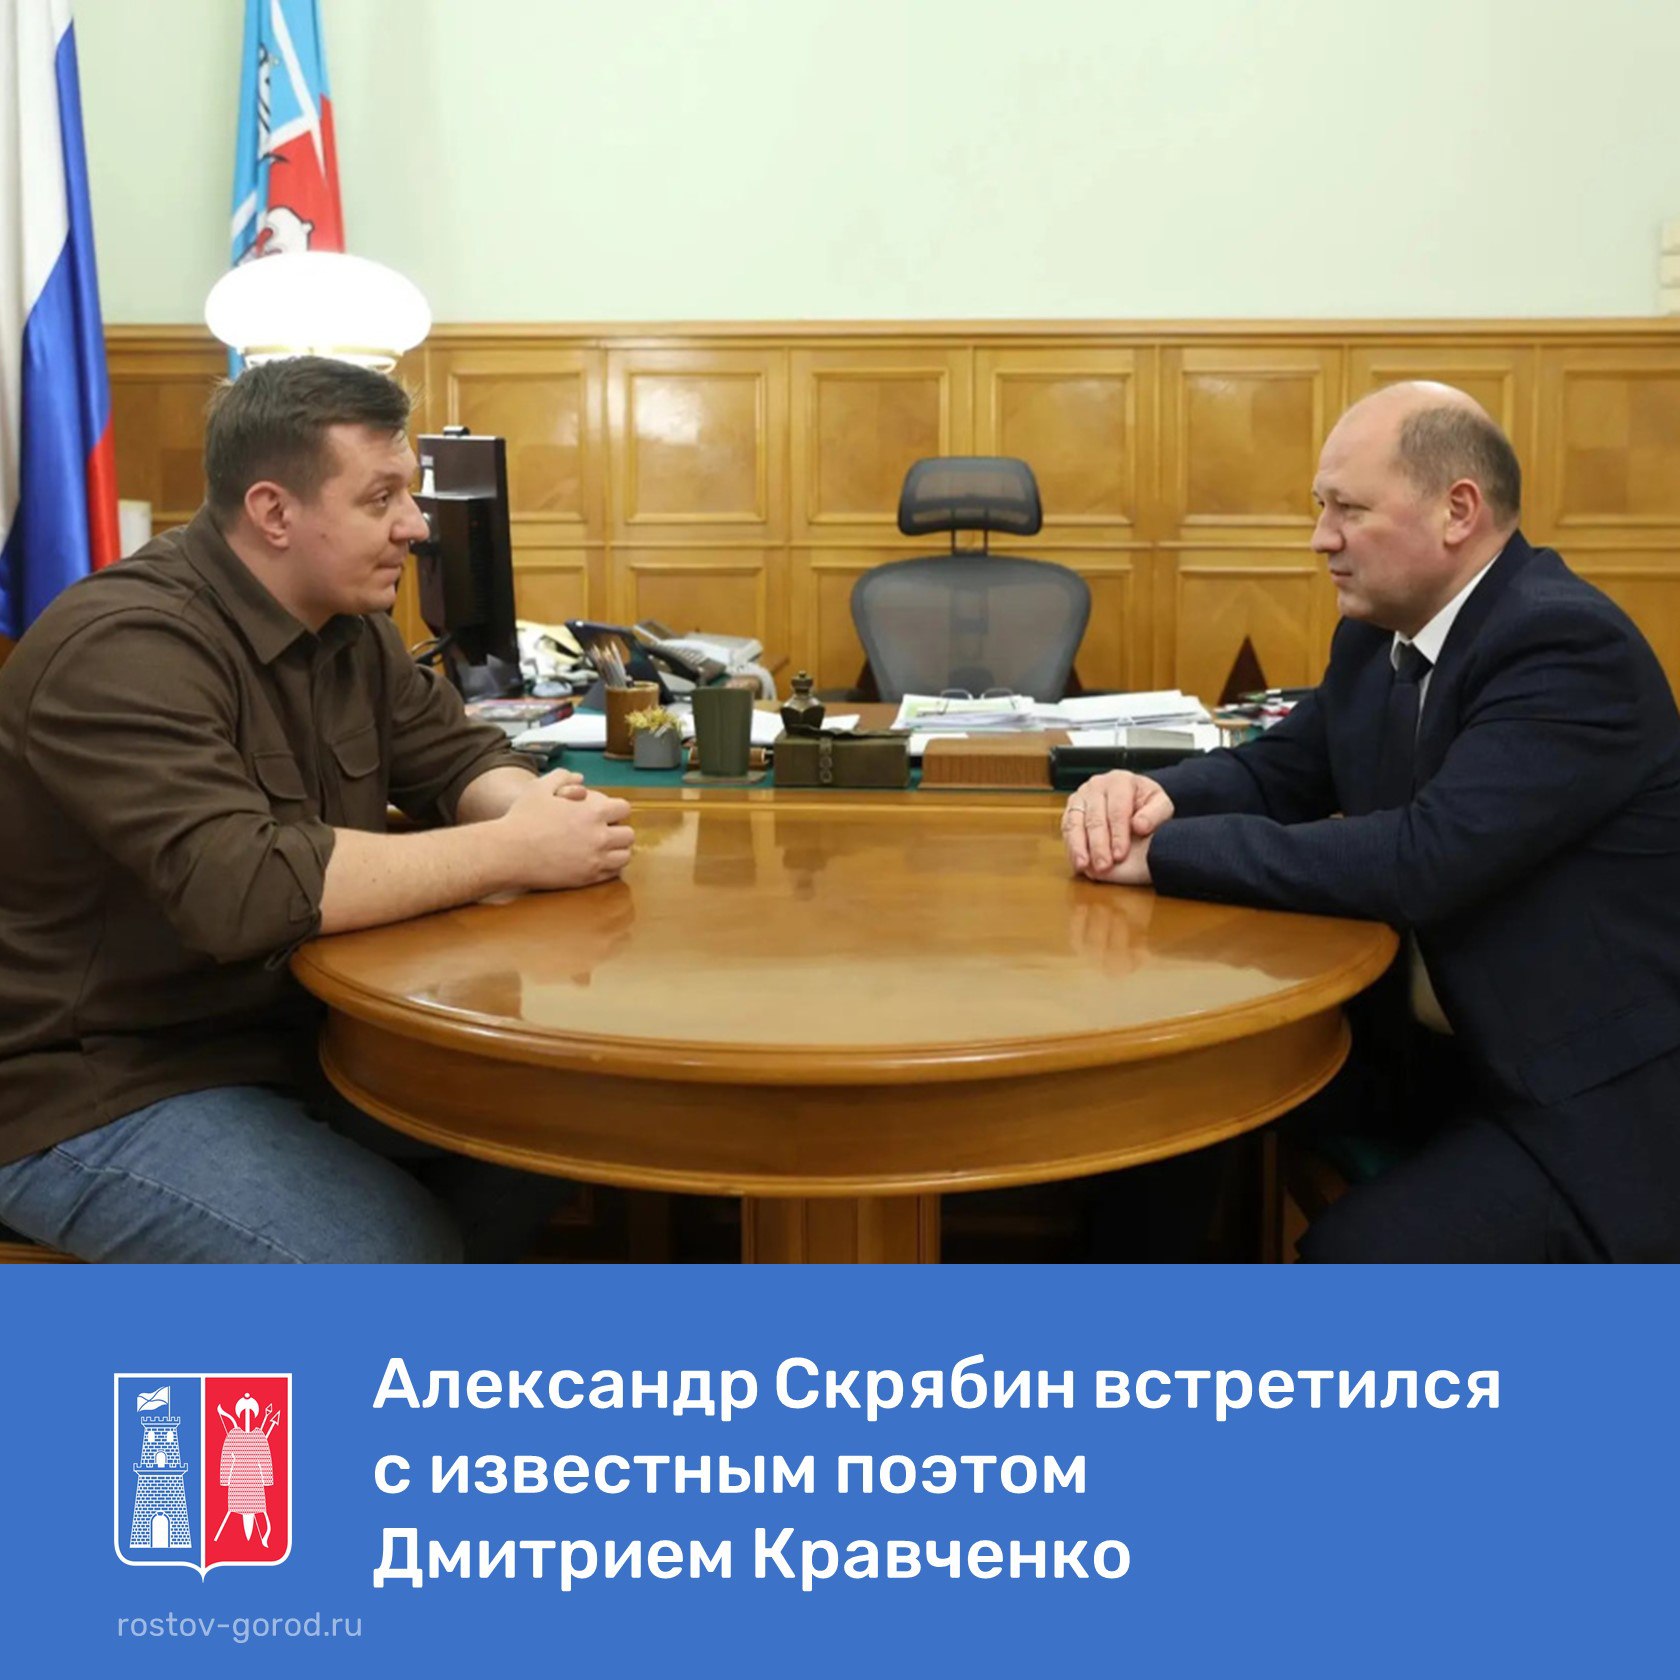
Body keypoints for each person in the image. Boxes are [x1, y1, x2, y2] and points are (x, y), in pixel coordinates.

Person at [0, 356, 634, 1262]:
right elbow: (245, 890)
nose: (417, 526)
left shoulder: (347, 625)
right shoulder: (123, 647)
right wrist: (516, 851)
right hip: (95, 1079)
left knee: (575, 1116)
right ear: (273, 513)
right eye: (381, 499)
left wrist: (539, 814)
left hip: (289, 1035)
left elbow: (454, 757)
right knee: (385, 1261)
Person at [1061, 381, 1680, 1262]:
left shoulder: (1566, 645)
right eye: (1321, 507)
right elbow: (1278, 771)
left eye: (1347, 509)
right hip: (1421, 1048)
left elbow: (1424, 859)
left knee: (1354, 1263)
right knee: (1157, 1097)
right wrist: (1147, 799)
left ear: (1457, 511)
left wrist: (1166, 855)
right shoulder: (1379, 634)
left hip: (1571, 1085)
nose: (1322, 537)